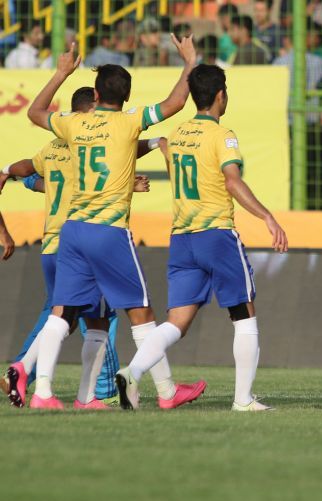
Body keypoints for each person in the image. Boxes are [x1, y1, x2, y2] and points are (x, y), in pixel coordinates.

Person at [23, 37, 205, 410]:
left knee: (62, 313)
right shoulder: (130, 121)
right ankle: (167, 391)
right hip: (108, 231)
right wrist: (189, 62)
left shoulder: (74, 123)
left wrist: (60, 74)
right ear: (127, 95)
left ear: (95, 93)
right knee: (142, 313)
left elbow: (35, 112)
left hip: (72, 229)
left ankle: (42, 393)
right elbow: (175, 103)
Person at [114, 64, 289, 412]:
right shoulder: (222, 135)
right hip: (216, 234)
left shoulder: (177, 133)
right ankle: (243, 400)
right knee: (244, 314)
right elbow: (232, 181)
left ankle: (132, 371)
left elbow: (172, 166)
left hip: (182, 238)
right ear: (221, 95)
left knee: (177, 321)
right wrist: (267, 216)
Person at [0, 88, 163, 409]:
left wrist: (7, 171)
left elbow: (31, 174)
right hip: (81, 242)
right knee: (97, 318)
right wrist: (136, 173)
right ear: (88, 112)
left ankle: (26, 372)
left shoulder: (52, 149)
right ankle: (94, 389)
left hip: (53, 245)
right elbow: (113, 161)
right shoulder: (86, 147)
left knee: (62, 315)